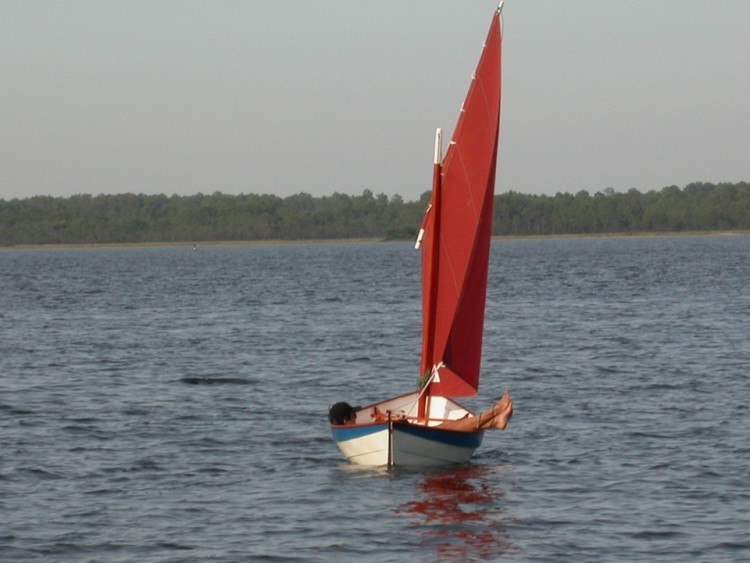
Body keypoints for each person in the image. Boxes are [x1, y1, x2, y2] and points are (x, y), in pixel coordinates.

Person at [329, 393, 513, 432]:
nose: (356, 417)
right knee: (449, 426)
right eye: (353, 415)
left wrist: (402, 422)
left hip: (405, 435)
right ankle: (494, 414)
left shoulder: (354, 431)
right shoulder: (356, 431)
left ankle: (494, 421)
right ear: (346, 421)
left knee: (448, 425)